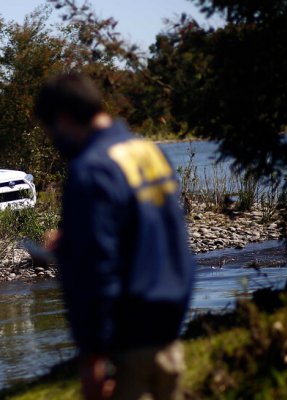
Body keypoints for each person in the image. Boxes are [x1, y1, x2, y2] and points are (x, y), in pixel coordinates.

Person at [34, 73, 195, 400]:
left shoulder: (91, 169)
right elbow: (152, 233)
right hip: (170, 332)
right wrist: (74, 240)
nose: (53, 140)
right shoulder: (147, 150)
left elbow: (96, 267)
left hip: (129, 343)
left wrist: (92, 356)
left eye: (49, 132)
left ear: (63, 121)